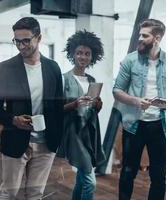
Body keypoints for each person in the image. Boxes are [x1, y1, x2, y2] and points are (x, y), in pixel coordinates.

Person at [0, 17, 63, 200]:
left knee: (35, 194)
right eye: (17, 41)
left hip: (46, 143)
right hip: (15, 139)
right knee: (9, 192)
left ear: (38, 38)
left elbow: (57, 107)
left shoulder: (53, 68)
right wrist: (13, 120)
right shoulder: (6, 68)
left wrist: (57, 140)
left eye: (26, 40)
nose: (21, 46)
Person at [113, 19, 166, 200]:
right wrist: (136, 101)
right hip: (134, 126)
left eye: (145, 35)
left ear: (157, 38)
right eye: (139, 34)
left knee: (159, 176)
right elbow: (117, 90)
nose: (140, 38)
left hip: (160, 126)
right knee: (128, 172)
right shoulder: (130, 60)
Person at [56, 30, 106, 200]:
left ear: (92, 57)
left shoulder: (92, 80)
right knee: (89, 181)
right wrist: (75, 103)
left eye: (87, 54)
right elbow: (57, 109)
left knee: (81, 177)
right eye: (79, 53)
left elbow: (93, 109)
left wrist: (98, 105)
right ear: (72, 54)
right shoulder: (64, 79)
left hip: (89, 131)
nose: (82, 57)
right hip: (73, 132)